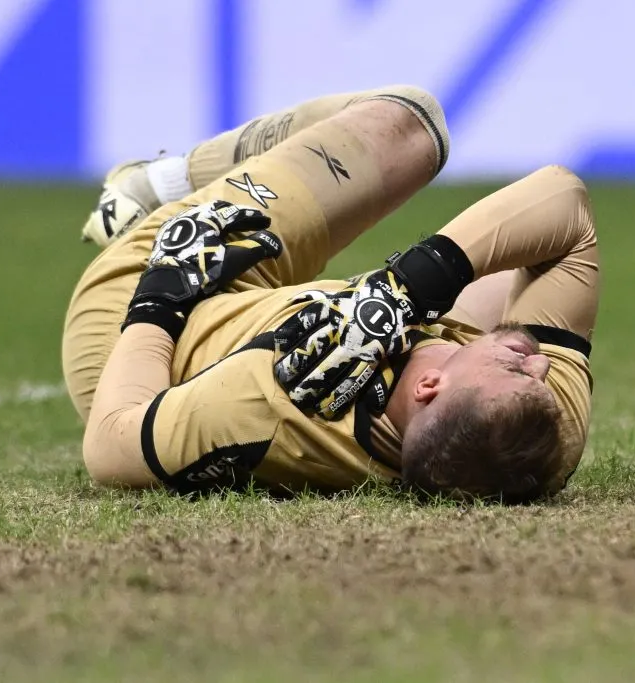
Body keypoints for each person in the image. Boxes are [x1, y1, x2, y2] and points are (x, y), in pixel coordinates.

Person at [63, 85, 598, 502]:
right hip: (269, 309)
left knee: (408, 121)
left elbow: (111, 446)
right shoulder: (545, 432)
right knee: (515, 275)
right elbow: (566, 205)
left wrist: (158, 299)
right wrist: (403, 291)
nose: (539, 370)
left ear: (431, 385)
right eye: (536, 380)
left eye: (514, 372)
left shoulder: (280, 394)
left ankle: (158, 190)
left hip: (144, 331)